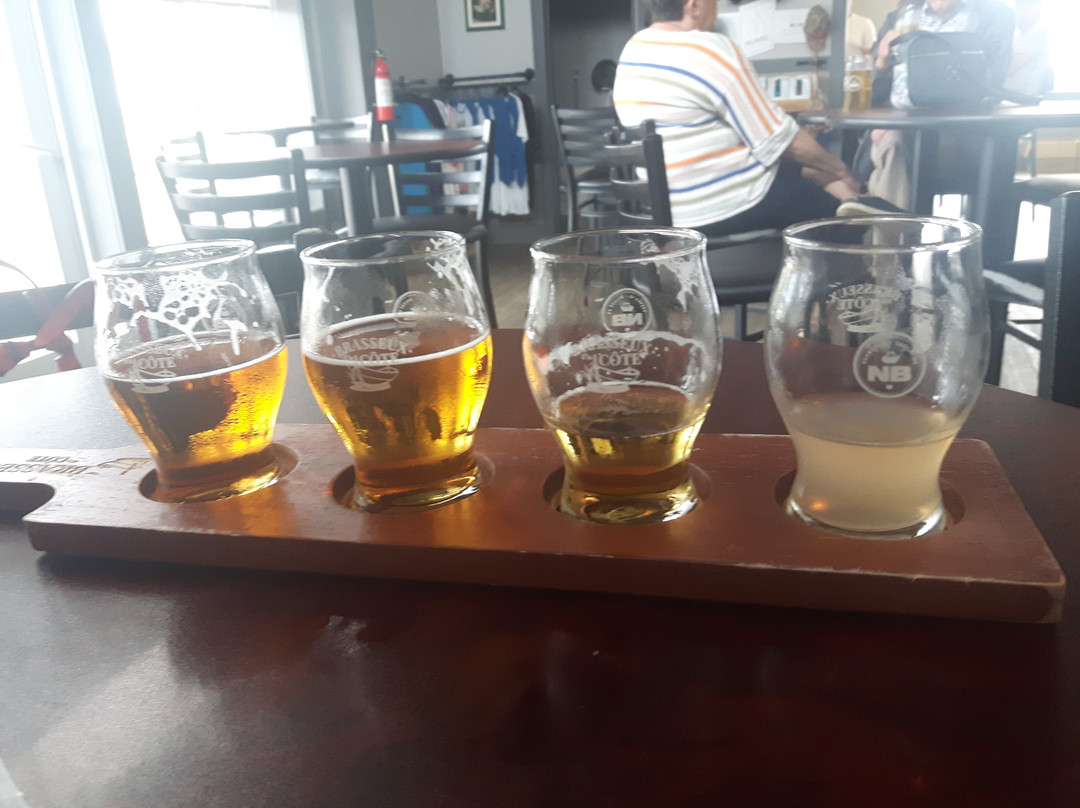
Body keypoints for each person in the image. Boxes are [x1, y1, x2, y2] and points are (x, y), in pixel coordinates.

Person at [612, 0, 862, 237]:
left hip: (665, 208)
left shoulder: (635, 47)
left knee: (806, 171)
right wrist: (840, 169)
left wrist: (827, 170)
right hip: (715, 207)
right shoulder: (708, 48)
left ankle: (850, 198)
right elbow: (777, 139)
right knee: (838, 217)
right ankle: (855, 237)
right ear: (693, 5)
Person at [863, 0, 1014, 209]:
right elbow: (871, 96)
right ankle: (879, 216)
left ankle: (875, 215)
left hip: (961, 136)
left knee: (893, 146)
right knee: (892, 142)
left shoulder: (993, 15)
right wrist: (881, 63)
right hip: (897, 128)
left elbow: (991, 84)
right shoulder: (899, 16)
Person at [1006, 0, 1052, 98]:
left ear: (1037, 11)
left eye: (1023, 8)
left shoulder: (1037, 33)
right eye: (1017, 7)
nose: (1017, 13)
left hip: (1021, 96)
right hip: (1008, 94)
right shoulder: (1018, 36)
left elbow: (1009, 69)